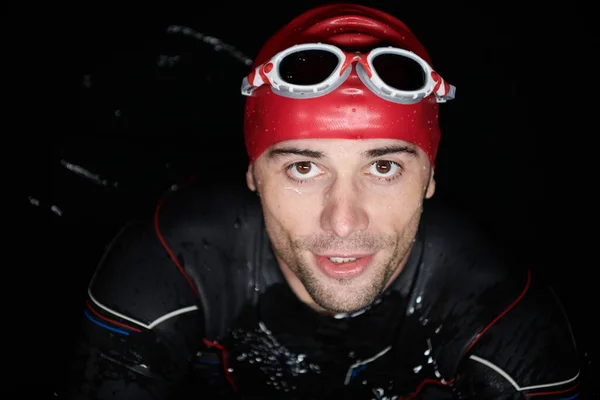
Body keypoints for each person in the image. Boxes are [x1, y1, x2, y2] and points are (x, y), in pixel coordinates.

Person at [64, 4, 582, 399]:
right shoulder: (174, 258)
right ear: (253, 174)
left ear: (429, 177)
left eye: (384, 168)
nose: (342, 220)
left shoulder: (502, 319)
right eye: (303, 168)